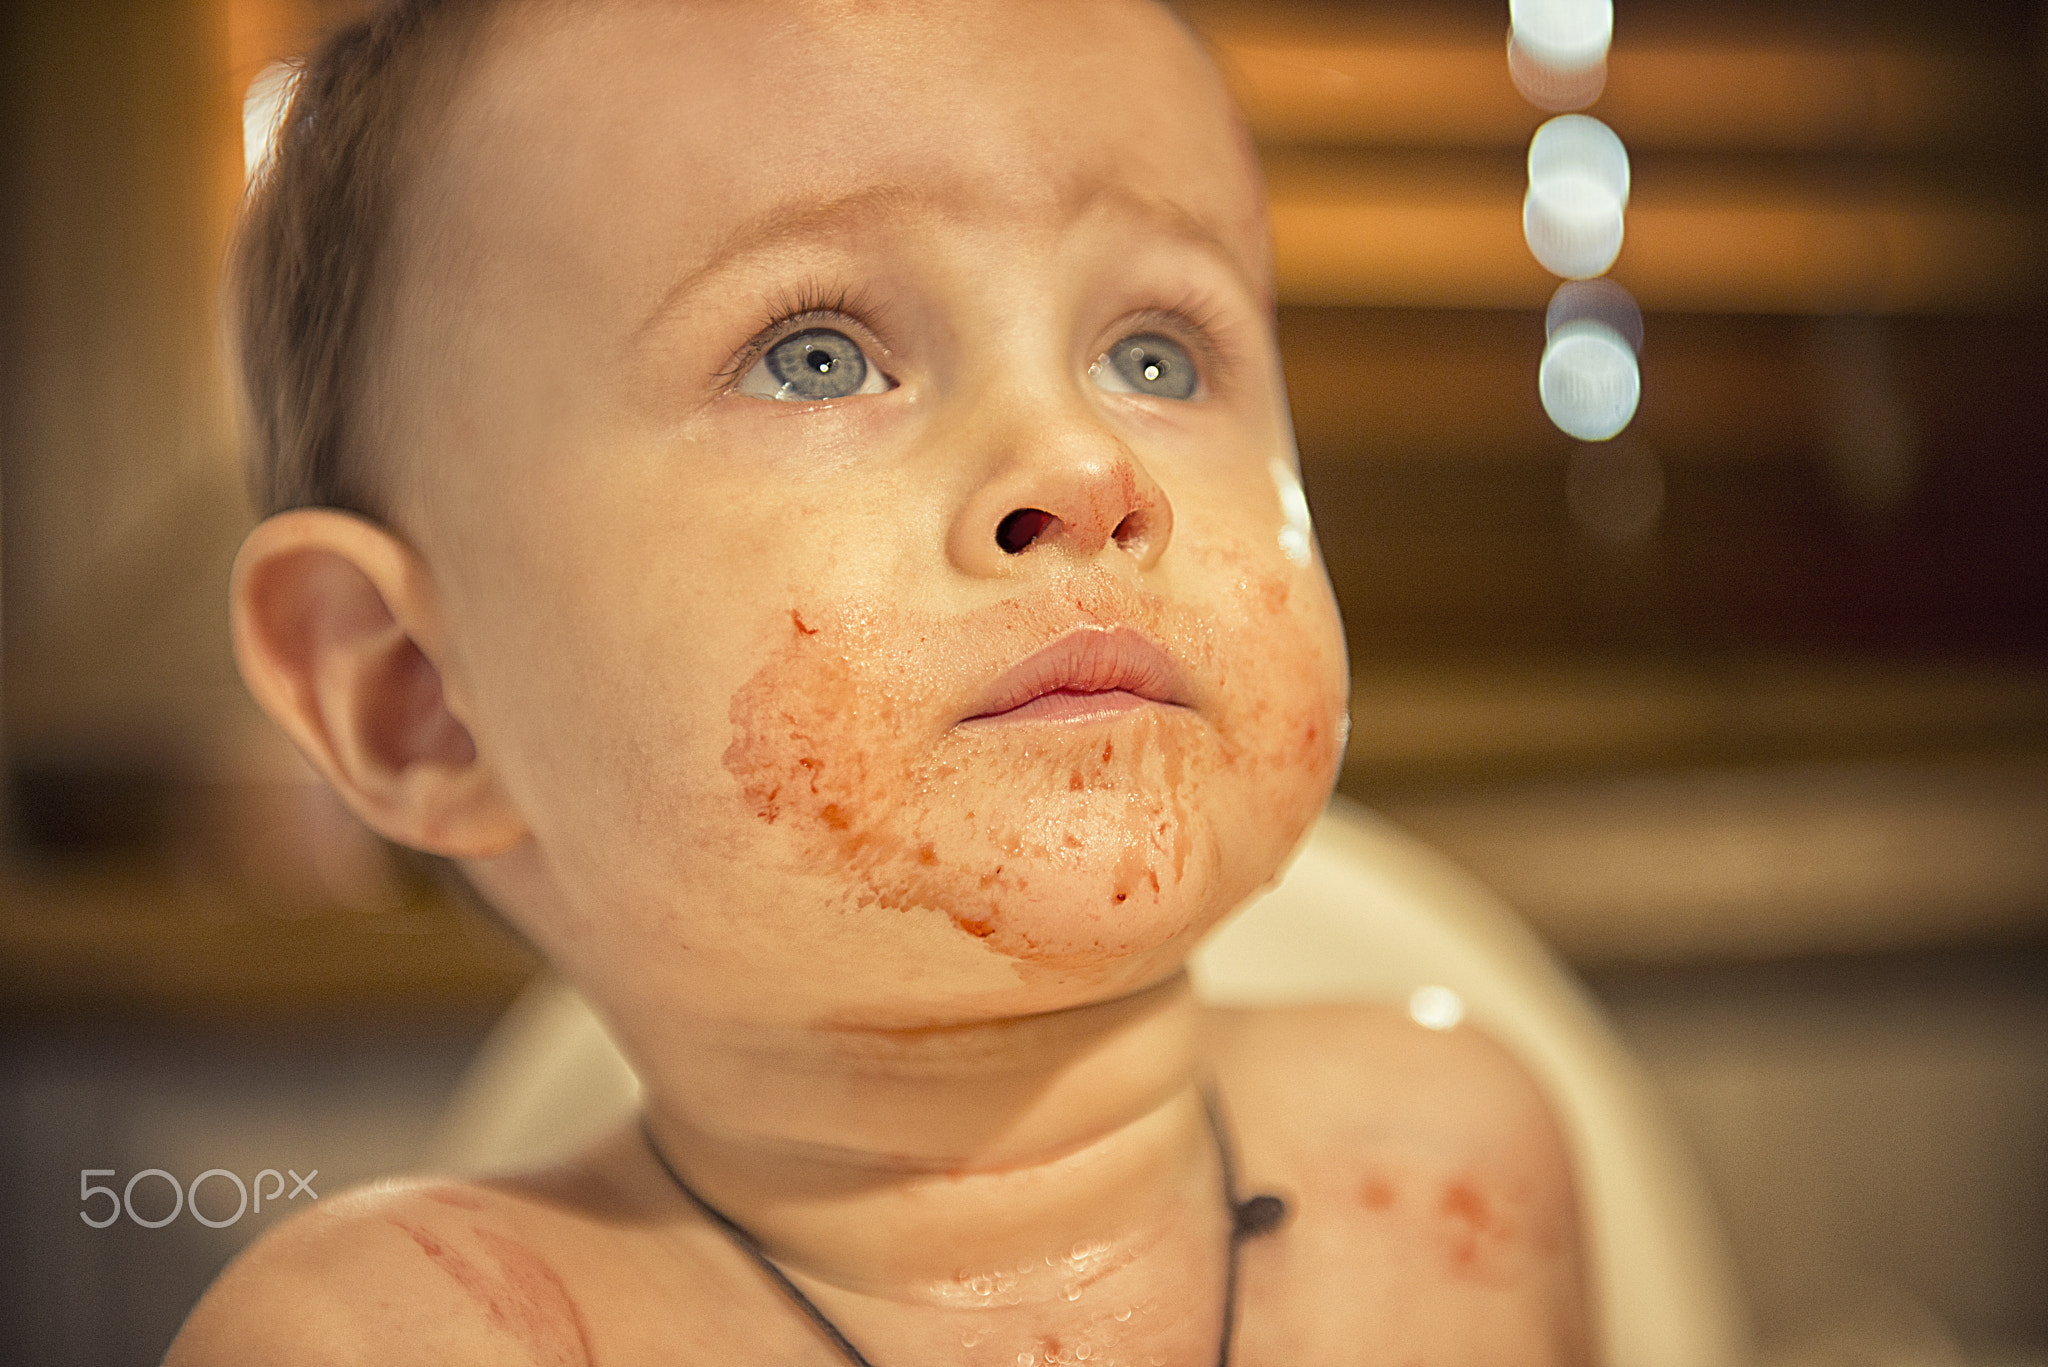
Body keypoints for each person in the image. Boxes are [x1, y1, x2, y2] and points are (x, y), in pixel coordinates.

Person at [168, 0, 1591, 1362]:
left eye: (1155, 356)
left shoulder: (1464, 1156)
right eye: (814, 357)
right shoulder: (414, 1339)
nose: (1092, 472)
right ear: (417, 691)